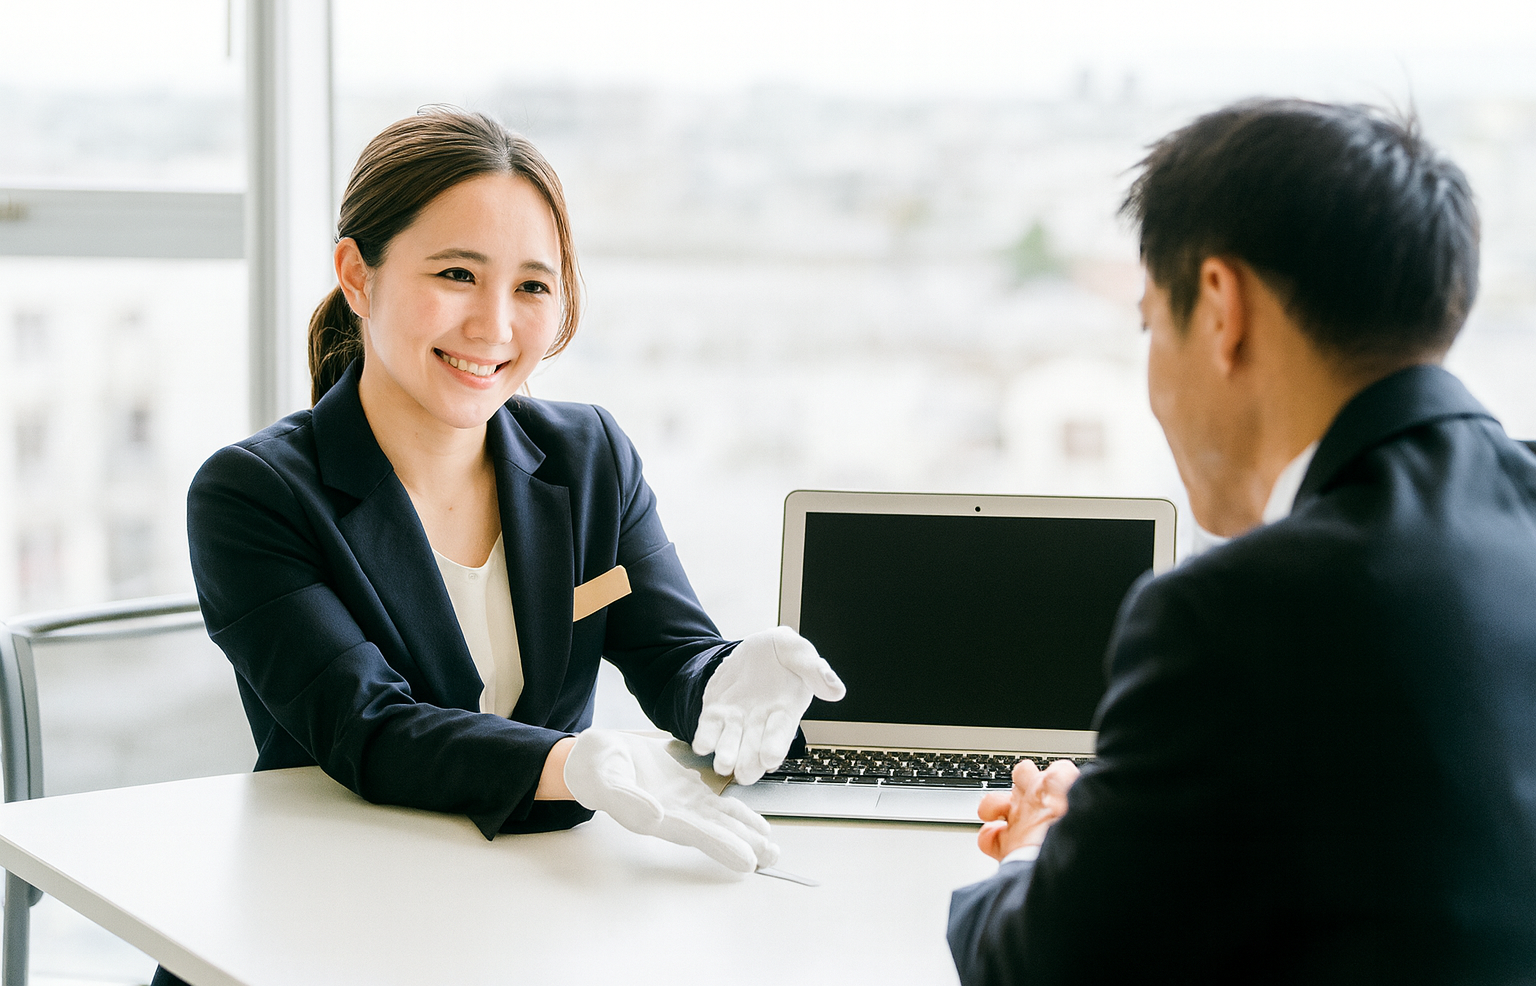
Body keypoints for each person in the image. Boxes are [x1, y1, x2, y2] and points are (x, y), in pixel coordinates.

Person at [169, 106, 846, 986]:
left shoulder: (589, 456)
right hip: (332, 925)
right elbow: (367, 727)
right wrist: (573, 763)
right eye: (457, 273)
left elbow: (671, 653)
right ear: (356, 275)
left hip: (536, 924)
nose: (494, 326)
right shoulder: (254, 494)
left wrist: (725, 683)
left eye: (532, 286)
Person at [947, 99, 1536, 984]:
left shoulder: (1233, 614)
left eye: (1152, 323)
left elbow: (1037, 966)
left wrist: (1037, 849)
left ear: (1222, 308)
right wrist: (1123, 823)